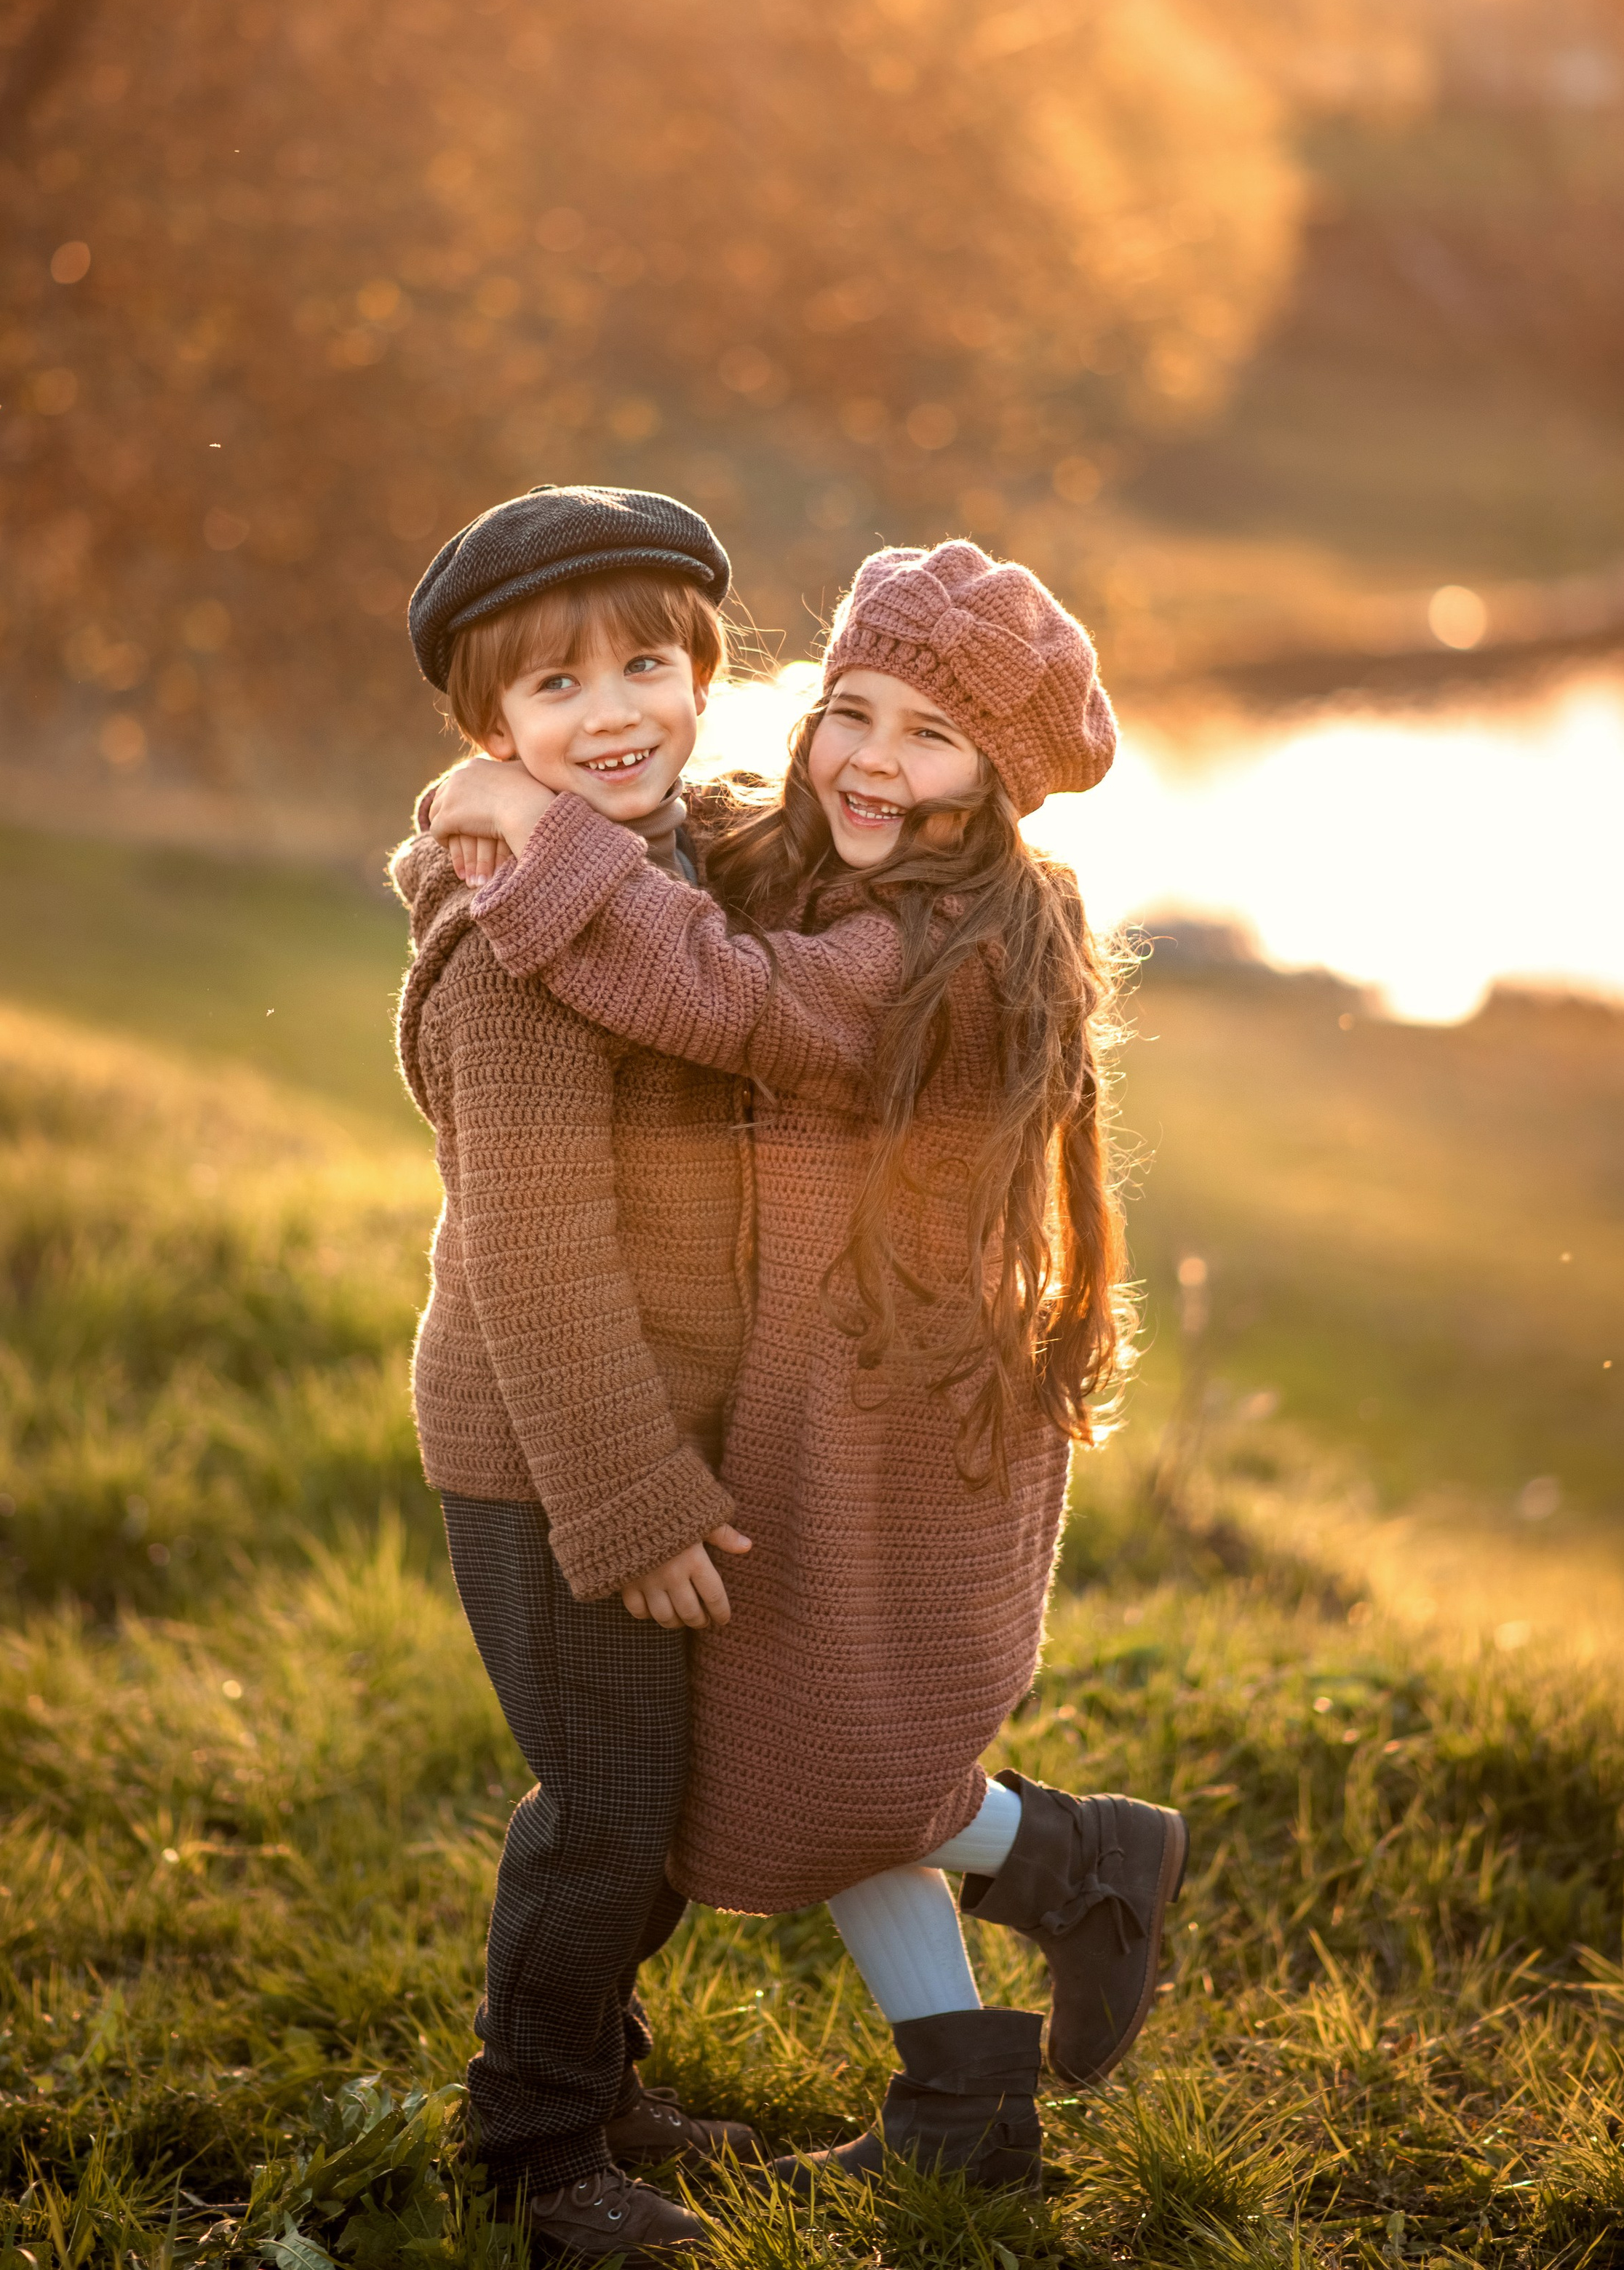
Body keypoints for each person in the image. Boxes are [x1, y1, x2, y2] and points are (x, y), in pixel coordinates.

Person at [430, 538, 1190, 2196]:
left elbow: (715, 982)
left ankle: (1032, 1926)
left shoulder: (953, 951)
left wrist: (522, 813)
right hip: (759, 1397)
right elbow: (666, 865)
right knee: (774, 1752)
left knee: (822, 1749)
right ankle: (1001, 2002)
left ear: (1002, 776)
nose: (869, 758)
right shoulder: (773, 861)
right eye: (848, 708)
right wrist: (486, 804)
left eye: (930, 734)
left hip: (879, 1401)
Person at [391, 483, 764, 2258]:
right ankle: (533, 2146)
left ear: (704, 670)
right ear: (489, 732)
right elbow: (535, 1262)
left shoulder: (665, 865)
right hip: (546, 1452)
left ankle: (597, 2078)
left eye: (644, 663)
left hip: (654, 1424)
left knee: (669, 1798)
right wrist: (623, 1502)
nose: (610, 712)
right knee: (609, 1809)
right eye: (552, 693)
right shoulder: (522, 960)